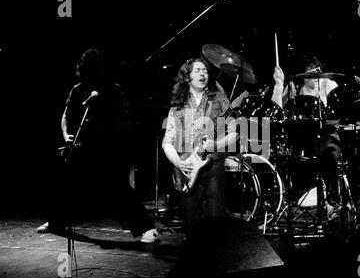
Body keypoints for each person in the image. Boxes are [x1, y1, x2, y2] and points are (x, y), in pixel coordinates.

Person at [36, 48, 158, 243]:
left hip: (108, 147)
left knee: (120, 187)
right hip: (82, 145)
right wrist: (66, 134)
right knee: (62, 182)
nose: (95, 73)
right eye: (91, 69)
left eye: (98, 69)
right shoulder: (78, 90)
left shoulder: (113, 89)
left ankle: (147, 229)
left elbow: (123, 121)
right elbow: (66, 116)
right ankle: (55, 223)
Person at [161, 58, 238, 238]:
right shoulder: (178, 106)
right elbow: (167, 142)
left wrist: (216, 145)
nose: (203, 74)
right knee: (191, 224)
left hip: (213, 166)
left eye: (205, 70)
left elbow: (235, 133)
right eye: (197, 70)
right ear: (187, 77)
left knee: (216, 221)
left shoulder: (219, 99)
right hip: (186, 170)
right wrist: (179, 163)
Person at [272, 55, 344, 221]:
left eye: (317, 70)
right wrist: (278, 85)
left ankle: (332, 202)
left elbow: (340, 114)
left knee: (331, 153)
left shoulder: (329, 84)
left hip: (326, 134)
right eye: (310, 72)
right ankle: (299, 197)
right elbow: (276, 111)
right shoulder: (294, 88)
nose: (315, 76)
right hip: (302, 138)